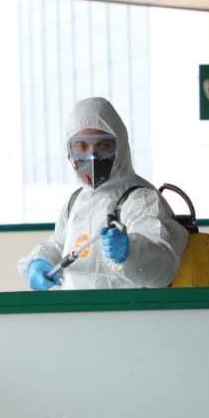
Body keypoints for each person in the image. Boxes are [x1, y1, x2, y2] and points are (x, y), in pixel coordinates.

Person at [18, 96, 188, 290]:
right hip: (77, 315)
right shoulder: (76, 200)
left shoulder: (140, 199)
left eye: (104, 146)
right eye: (81, 146)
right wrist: (38, 263)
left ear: (121, 147)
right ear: (69, 152)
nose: (92, 157)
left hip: (127, 317)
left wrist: (131, 251)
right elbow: (61, 244)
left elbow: (163, 266)